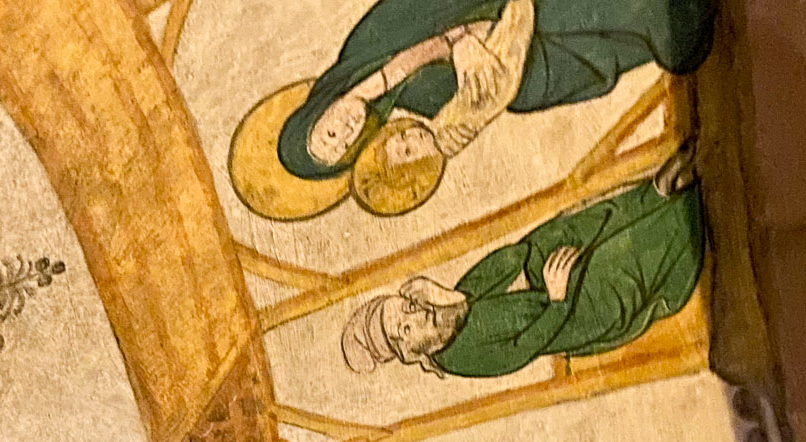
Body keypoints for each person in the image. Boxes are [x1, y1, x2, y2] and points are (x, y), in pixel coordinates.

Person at [341, 151, 703, 377]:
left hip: (546, 289)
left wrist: (452, 295)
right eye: (406, 328)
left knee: (559, 236)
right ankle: (681, 216)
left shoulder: (452, 309)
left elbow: (512, 257)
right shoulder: (462, 358)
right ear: (412, 352)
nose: (419, 315)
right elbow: (524, 348)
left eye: (407, 307)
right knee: (611, 265)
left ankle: (656, 194)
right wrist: (557, 298)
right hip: (572, 318)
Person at [280, 0, 715, 185]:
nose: (345, 131)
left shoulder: (364, 44)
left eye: (328, 132)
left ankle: (656, 17)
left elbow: (430, 8)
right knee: (526, 88)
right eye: (344, 147)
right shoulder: (405, 102)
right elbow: (469, 93)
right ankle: (649, 33)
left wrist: (462, 39)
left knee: (546, 24)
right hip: (503, 34)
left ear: (320, 109)